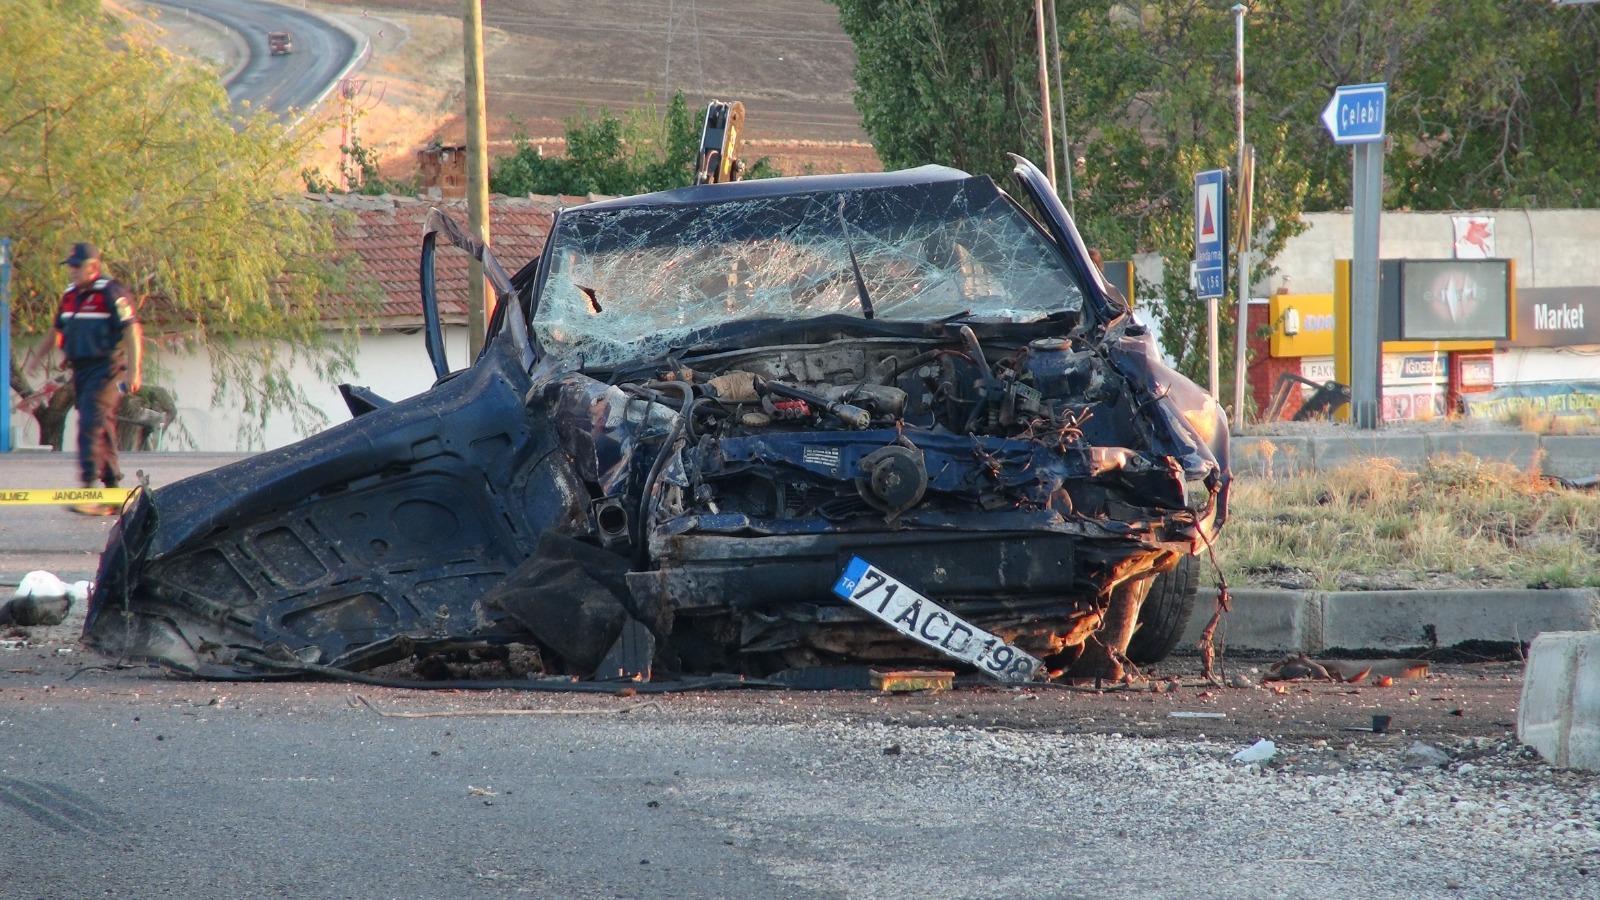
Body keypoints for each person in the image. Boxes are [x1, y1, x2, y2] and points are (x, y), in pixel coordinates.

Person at [24, 243, 142, 514]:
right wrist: (37, 358)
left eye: (78, 266)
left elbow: (132, 331)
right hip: (81, 370)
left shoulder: (111, 292)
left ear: (93, 266)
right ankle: (113, 492)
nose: (73, 272)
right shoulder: (70, 295)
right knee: (102, 427)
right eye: (71, 267)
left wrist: (135, 370)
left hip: (108, 369)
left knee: (90, 423)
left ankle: (88, 489)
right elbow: (57, 330)